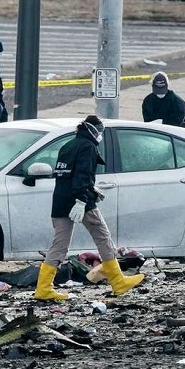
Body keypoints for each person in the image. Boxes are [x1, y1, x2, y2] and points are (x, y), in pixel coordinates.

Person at [34, 115, 145, 301]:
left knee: (60, 244)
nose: (100, 135)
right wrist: (82, 200)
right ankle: (118, 282)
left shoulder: (68, 145)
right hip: (80, 201)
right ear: (94, 130)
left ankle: (43, 288)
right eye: (100, 131)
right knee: (103, 237)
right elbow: (82, 175)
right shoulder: (88, 147)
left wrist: (90, 189)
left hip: (61, 200)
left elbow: (67, 175)